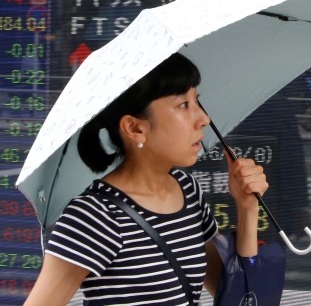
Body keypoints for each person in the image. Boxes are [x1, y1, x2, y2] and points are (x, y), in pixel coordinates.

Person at [24, 53, 269, 306]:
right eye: (183, 105)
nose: (204, 119)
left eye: (197, 101)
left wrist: (247, 207)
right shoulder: (95, 216)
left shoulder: (187, 190)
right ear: (135, 127)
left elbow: (237, 298)